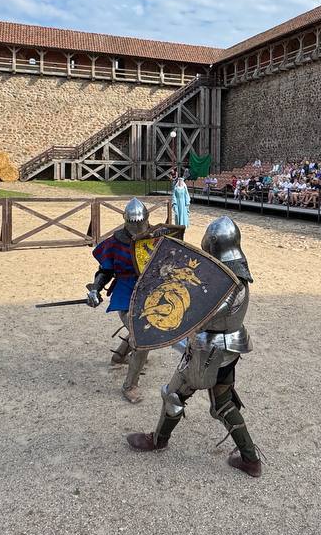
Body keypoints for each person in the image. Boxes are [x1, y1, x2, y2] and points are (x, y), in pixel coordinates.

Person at [126, 217, 262, 477]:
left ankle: (158, 439)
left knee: (173, 394)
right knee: (222, 403)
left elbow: (197, 314)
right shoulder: (238, 273)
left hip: (206, 350)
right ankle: (250, 459)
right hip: (229, 349)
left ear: (212, 244)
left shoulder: (226, 283)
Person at [86, 198, 163, 403]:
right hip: (125, 292)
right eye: (134, 224)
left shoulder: (157, 238)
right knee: (141, 338)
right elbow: (105, 271)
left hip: (148, 292)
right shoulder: (115, 243)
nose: (138, 228)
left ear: (147, 220)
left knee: (139, 329)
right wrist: (95, 289)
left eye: (141, 224)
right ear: (126, 221)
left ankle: (119, 357)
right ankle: (130, 386)